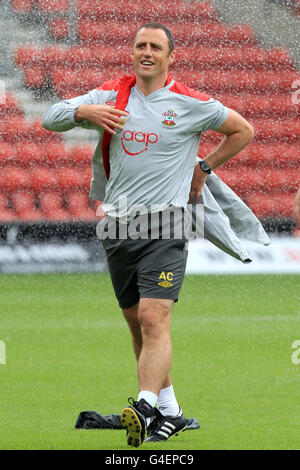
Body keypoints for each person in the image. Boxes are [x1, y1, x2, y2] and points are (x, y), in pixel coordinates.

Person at [42, 22, 254, 447]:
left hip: (166, 223)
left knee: (155, 318)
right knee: (138, 326)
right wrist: (84, 112)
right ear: (132, 51)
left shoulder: (190, 102)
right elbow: (50, 117)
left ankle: (142, 406)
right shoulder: (110, 96)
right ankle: (170, 410)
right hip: (117, 225)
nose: (147, 52)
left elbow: (242, 131)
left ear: (170, 56)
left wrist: (204, 167)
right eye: (140, 45)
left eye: (156, 46)